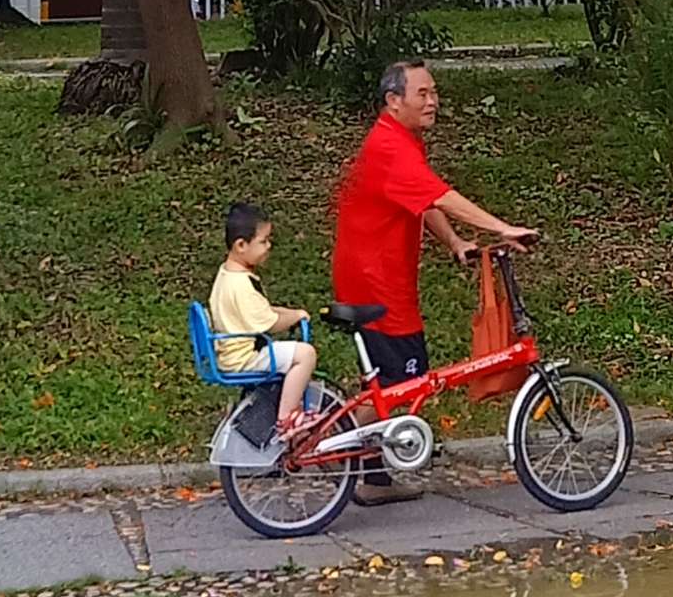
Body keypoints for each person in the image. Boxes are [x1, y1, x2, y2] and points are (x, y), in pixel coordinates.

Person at [332, 57, 537, 502]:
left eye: (434, 92)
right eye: (422, 94)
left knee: (391, 384)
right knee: (399, 384)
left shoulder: (400, 140)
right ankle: (339, 451)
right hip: (376, 284)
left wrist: (454, 241)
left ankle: (372, 479)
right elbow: (441, 195)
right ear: (394, 101)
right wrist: (502, 228)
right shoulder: (390, 147)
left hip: (381, 279)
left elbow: (420, 201)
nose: (432, 101)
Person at [208, 201, 316, 441]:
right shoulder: (241, 285)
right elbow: (270, 323)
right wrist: (296, 316)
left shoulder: (227, 275)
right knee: (305, 354)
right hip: (245, 358)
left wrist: (291, 313)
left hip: (233, 354)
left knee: (296, 352)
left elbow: (263, 311)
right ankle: (286, 419)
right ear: (241, 245)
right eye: (263, 241)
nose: (269, 246)